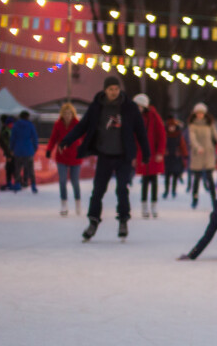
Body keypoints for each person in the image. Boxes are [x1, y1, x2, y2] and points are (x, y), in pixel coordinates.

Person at [58, 75, 150, 241]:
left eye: (116, 89)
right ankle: (93, 222)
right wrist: (67, 140)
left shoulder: (130, 107)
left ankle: (123, 220)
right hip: (104, 155)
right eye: (110, 89)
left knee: (122, 189)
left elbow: (141, 132)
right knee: (98, 191)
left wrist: (146, 152)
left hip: (123, 156)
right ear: (105, 90)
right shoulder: (97, 107)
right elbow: (83, 126)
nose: (114, 92)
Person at [187, 103, 217, 209]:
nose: (200, 115)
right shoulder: (192, 125)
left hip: (208, 154)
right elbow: (192, 139)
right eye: (198, 113)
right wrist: (197, 147)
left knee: (210, 179)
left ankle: (214, 200)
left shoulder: (210, 125)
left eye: (201, 113)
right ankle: (195, 198)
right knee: (196, 179)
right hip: (198, 154)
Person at [45, 103, 84, 216]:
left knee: (74, 181)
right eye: (65, 113)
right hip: (61, 156)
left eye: (69, 113)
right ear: (62, 114)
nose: (67, 115)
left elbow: (84, 137)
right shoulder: (58, 124)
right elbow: (53, 138)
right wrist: (49, 149)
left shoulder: (77, 124)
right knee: (62, 181)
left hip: (75, 156)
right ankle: (64, 204)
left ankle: (77, 203)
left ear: (73, 114)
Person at [132, 94, 166, 219]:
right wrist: (134, 155)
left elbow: (161, 135)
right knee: (145, 181)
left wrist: (160, 152)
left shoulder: (154, 117)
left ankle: (154, 205)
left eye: (139, 106)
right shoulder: (134, 118)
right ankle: (144, 206)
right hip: (142, 154)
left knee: (154, 180)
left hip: (153, 154)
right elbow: (133, 138)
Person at [10, 110, 39, 193]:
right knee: (30, 169)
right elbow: (34, 137)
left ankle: (17, 184)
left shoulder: (15, 125)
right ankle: (33, 185)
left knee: (18, 168)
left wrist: (11, 148)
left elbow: (12, 138)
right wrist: (35, 148)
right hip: (28, 150)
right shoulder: (30, 125)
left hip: (18, 150)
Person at [162, 116, 187, 198]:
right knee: (167, 176)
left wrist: (184, 154)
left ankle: (173, 191)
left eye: (173, 127)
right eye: (170, 127)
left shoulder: (179, 135)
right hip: (168, 158)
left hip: (176, 158)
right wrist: (163, 151)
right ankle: (166, 191)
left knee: (175, 176)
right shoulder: (165, 135)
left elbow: (182, 145)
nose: (171, 128)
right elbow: (162, 145)